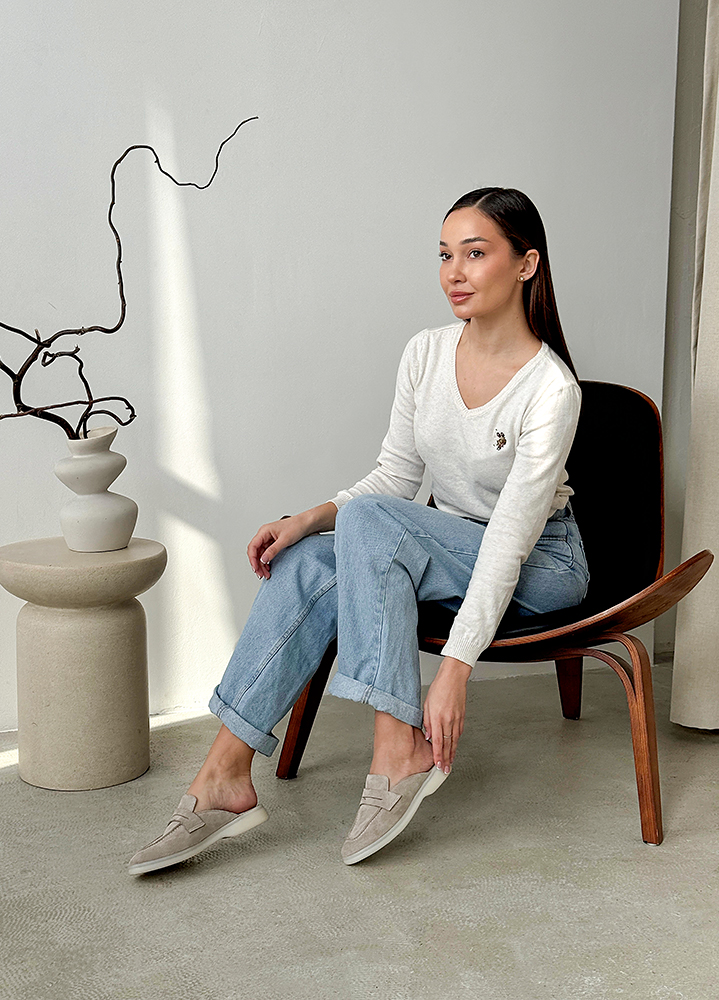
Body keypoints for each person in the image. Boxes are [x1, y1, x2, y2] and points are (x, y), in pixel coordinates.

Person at [128, 186, 590, 875]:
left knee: (370, 529)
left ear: (526, 264)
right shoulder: (425, 353)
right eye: (444, 255)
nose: (454, 273)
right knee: (308, 561)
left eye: (475, 253)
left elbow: (506, 542)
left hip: (538, 563)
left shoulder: (550, 389)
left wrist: (454, 669)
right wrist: (307, 520)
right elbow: (395, 477)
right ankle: (224, 775)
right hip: (445, 542)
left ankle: (396, 747)